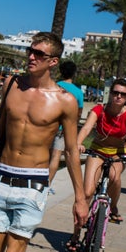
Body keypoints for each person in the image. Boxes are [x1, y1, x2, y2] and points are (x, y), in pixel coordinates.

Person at [0, 32, 88, 252]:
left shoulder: (65, 102)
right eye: (30, 51)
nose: (31, 57)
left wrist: (80, 199)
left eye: (39, 54)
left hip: (33, 185)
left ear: (53, 61)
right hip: (2, 178)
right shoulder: (12, 84)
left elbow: (71, 150)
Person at [66, 79, 126, 251]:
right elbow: (86, 128)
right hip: (97, 151)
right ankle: (75, 235)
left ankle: (112, 207)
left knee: (114, 177)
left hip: (119, 153)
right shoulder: (99, 110)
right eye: (115, 93)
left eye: (123, 94)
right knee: (87, 193)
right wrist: (78, 143)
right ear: (110, 93)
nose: (118, 96)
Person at [48, 60, 84, 190]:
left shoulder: (54, 86)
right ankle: (47, 186)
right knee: (55, 157)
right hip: (64, 129)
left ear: (61, 71)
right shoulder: (78, 92)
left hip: (49, 126)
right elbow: (78, 114)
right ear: (74, 73)